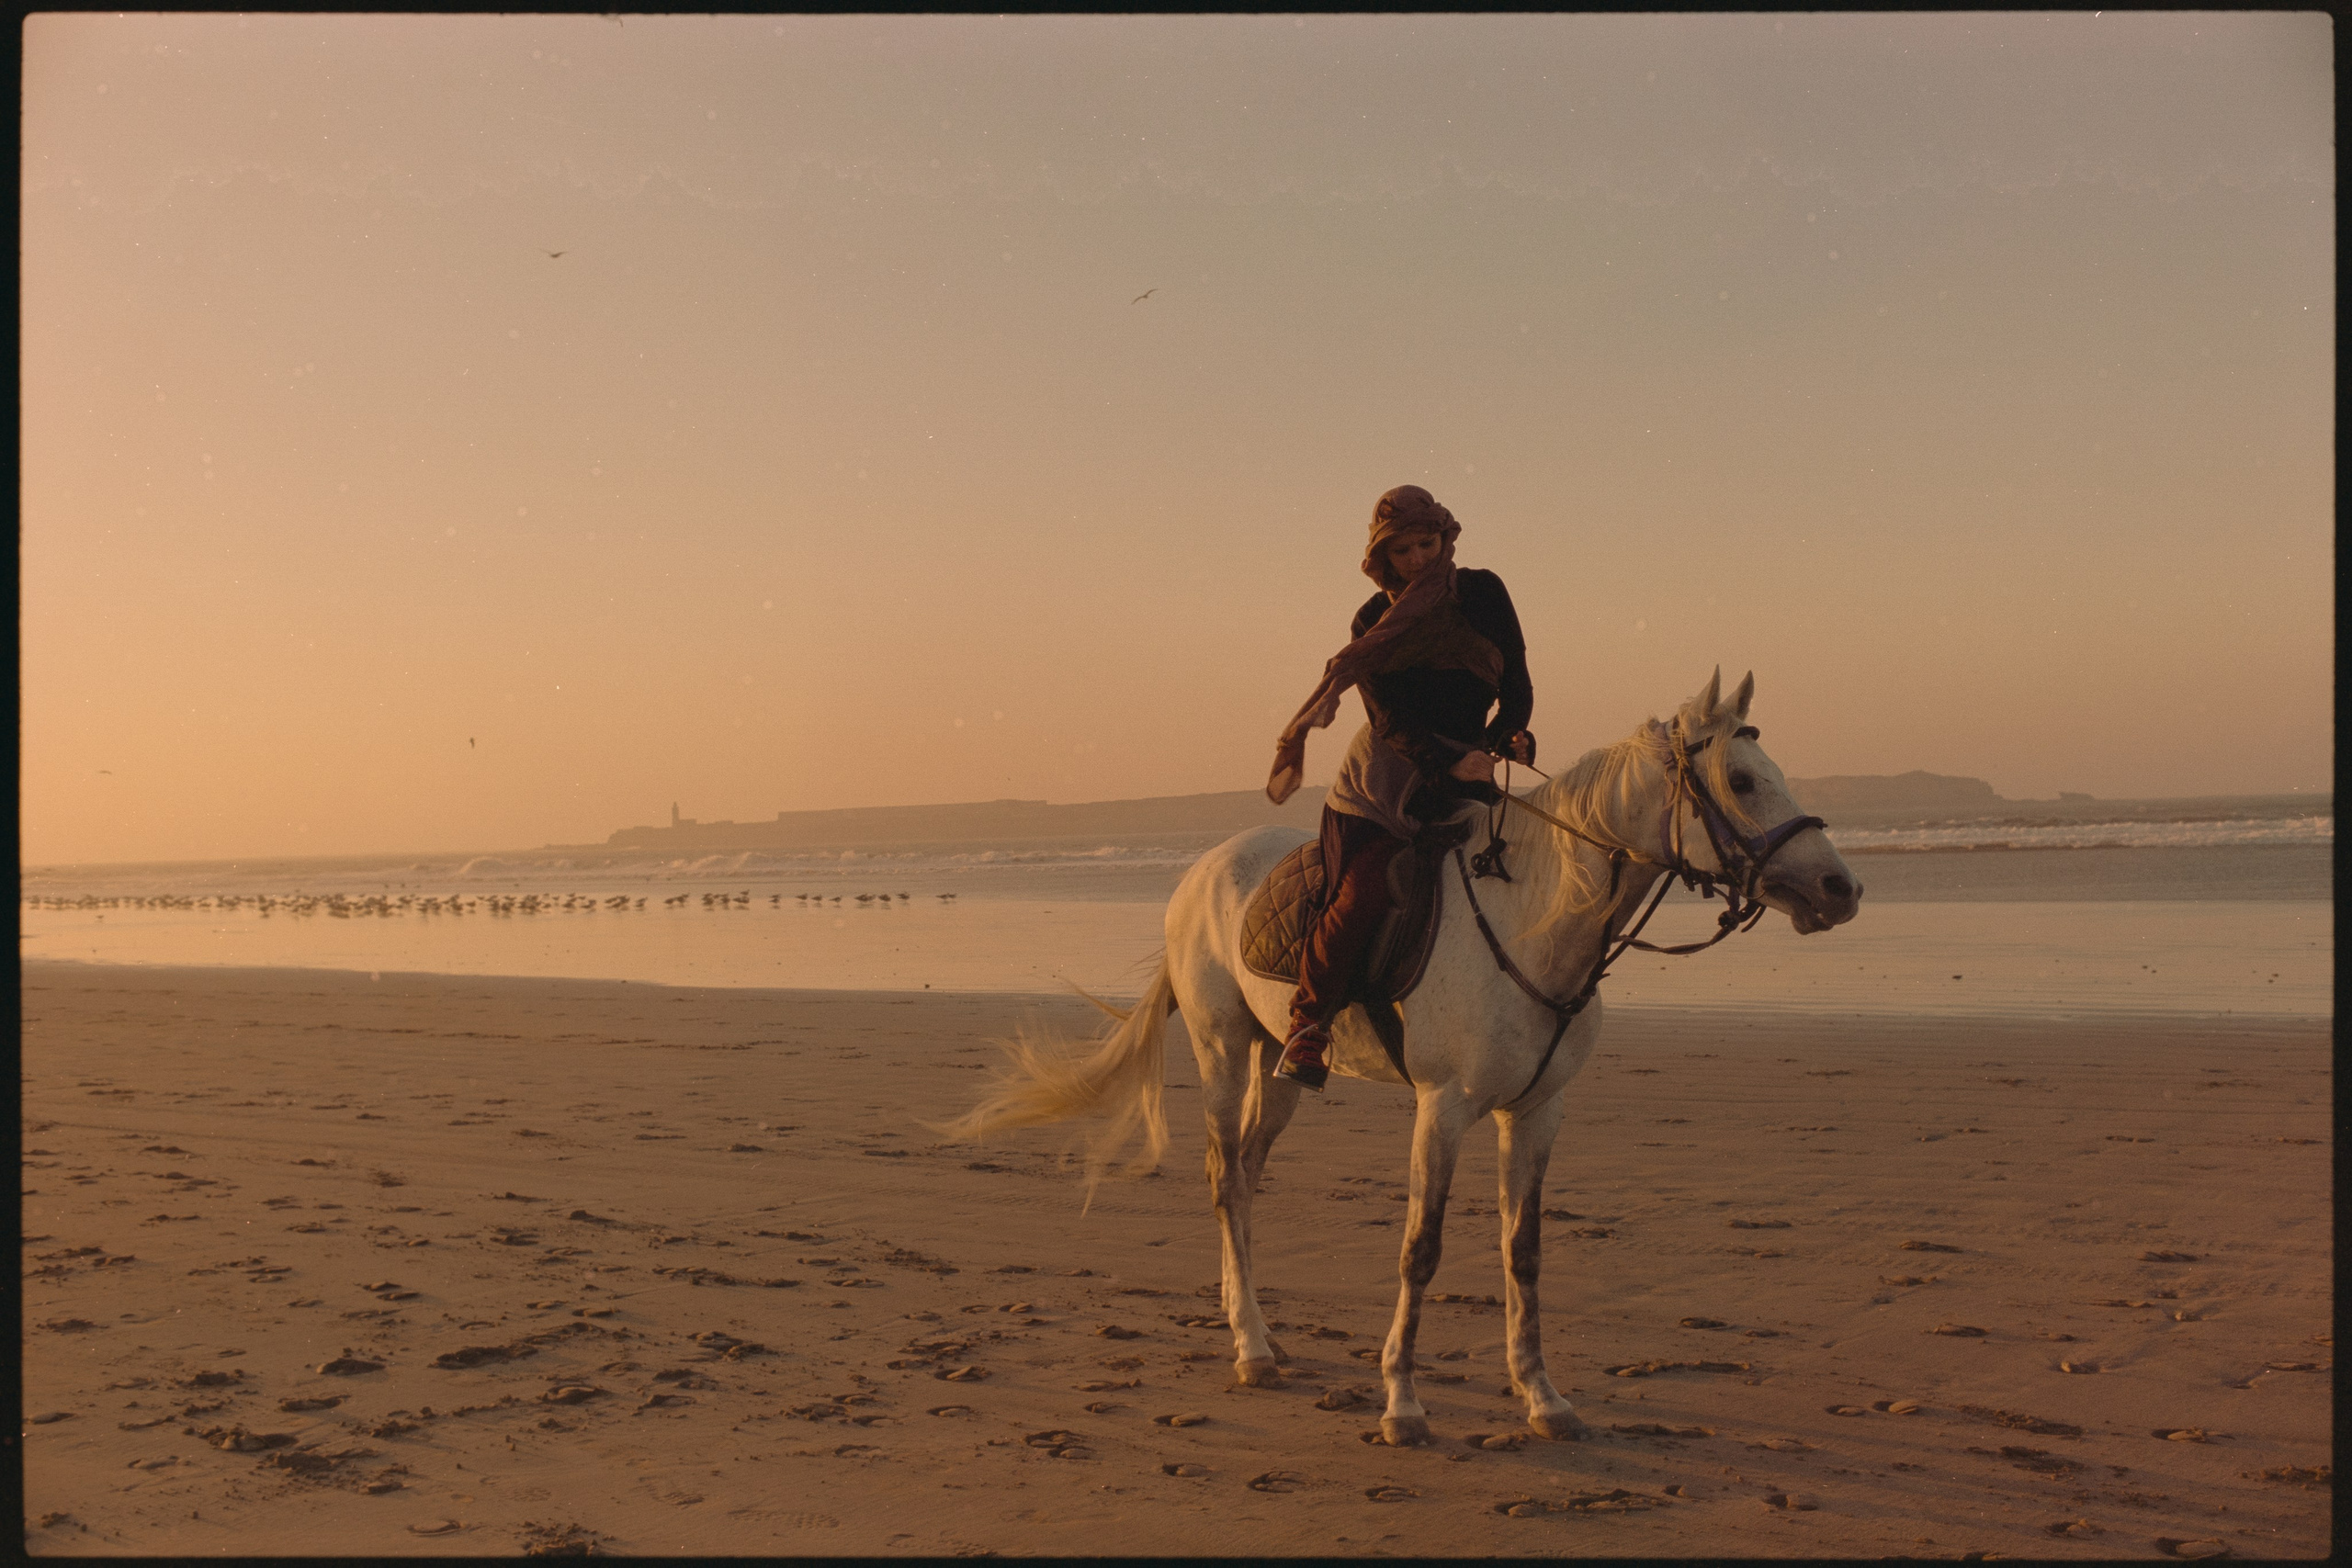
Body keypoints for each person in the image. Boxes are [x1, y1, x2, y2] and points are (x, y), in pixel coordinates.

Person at [1263, 485, 1535, 1090]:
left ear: (1447, 539)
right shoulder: (1370, 621)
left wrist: (1509, 734)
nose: (1418, 558)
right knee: (1366, 889)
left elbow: (1515, 678)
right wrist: (1449, 763)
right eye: (1403, 549)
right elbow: (1391, 722)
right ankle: (1308, 1028)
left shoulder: (1485, 592)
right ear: (1381, 555)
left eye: (1427, 543)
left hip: (1472, 762)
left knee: (1524, 866)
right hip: (1388, 777)